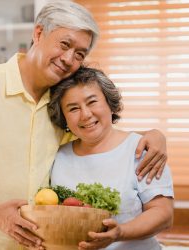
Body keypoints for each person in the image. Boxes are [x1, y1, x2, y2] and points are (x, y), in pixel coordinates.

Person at [0, 1, 168, 249]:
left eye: (79, 54)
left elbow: (97, 132)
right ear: (38, 33)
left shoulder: (61, 106)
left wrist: (152, 135)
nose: (68, 59)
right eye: (65, 44)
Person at [48, 67, 174, 250]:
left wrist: (119, 232)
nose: (85, 114)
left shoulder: (141, 149)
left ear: (109, 103)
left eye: (92, 102)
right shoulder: (57, 156)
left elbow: (163, 213)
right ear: (64, 118)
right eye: (73, 108)